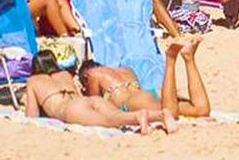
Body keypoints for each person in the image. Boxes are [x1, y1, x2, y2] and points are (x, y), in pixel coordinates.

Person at [25, 50, 176, 134]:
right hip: (89, 101)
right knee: (117, 115)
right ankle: (160, 115)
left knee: (110, 122)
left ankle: (139, 117)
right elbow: (78, 94)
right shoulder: (65, 75)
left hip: (71, 109)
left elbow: (31, 115)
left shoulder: (33, 81)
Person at [78, 35, 210, 119]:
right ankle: (189, 58)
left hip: (133, 102)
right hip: (150, 94)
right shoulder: (125, 70)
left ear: (85, 76)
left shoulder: (92, 75)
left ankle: (170, 59)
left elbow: (94, 104)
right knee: (200, 110)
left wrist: (83, 92)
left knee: (170, 114)